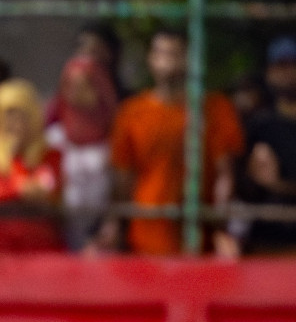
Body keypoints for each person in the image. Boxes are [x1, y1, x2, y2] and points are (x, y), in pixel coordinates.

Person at [101, 29, 244, 257]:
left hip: (198, 237)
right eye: (160, 53)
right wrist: (114, 225)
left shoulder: (215, 108)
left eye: (175, 54)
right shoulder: (132, 112)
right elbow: (122, 178)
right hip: (146, 236)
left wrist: (221, 229)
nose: (166, 60)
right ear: (150, 59)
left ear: (189, 59)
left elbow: (224, 175)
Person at [0, 79, 64, 252]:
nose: (15, 121)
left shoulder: (50, 153)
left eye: (22, 113)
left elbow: (54, 196)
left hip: (40, 248)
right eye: (8, 113)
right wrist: (16, 190)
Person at [45, 54, 117, 250]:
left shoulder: (113, 137)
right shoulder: (53, 138)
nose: (77, 92)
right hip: (60, 235)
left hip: (102, 237)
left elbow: (120, 188)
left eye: (85, 84)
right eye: (71, 85)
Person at [236, 36, 296, 254]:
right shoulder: (258, 126)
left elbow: (270, 183)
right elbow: (242, 190)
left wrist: (277, 185)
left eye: (292, 65)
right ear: (269, 73)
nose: (287, 73)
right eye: (280, 65)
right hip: (266, 242)